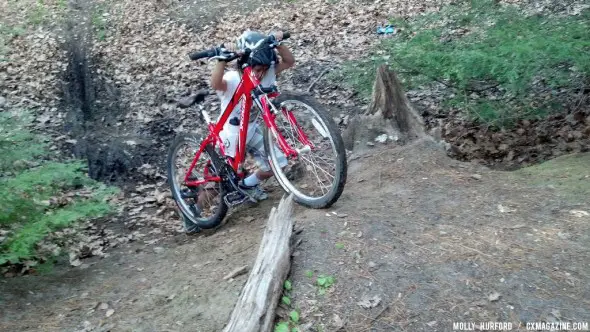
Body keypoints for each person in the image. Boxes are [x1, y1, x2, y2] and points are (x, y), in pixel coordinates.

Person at [210, 30, 295, 201]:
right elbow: (216, 84)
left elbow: (289, 61)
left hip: (251, 129)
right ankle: (194, 211)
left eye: (263, 69)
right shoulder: (234, 78)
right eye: (256, 69)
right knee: (220, 180)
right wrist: (222, 59)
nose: (259, 74)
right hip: (230, 132)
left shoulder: (266, 75)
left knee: (278, 163)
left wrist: (278, 43)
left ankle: (246, 185)